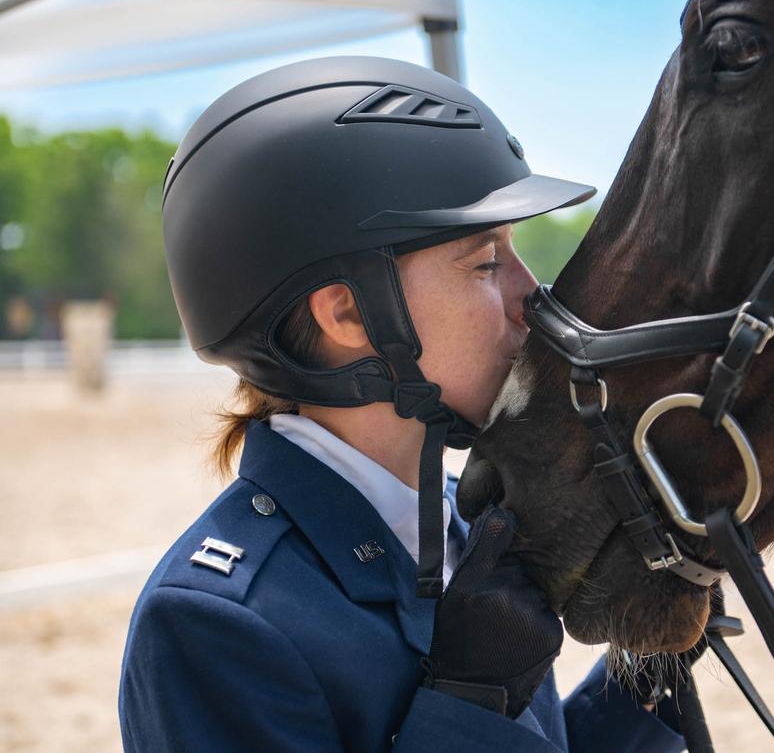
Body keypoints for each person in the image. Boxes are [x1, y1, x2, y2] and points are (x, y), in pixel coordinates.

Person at [117, 56, 686, 752]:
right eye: (485, 263)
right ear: (348, 315)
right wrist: (473, 702)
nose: (532, 295)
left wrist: (646, 682)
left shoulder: (464, 523)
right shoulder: (213, 624)